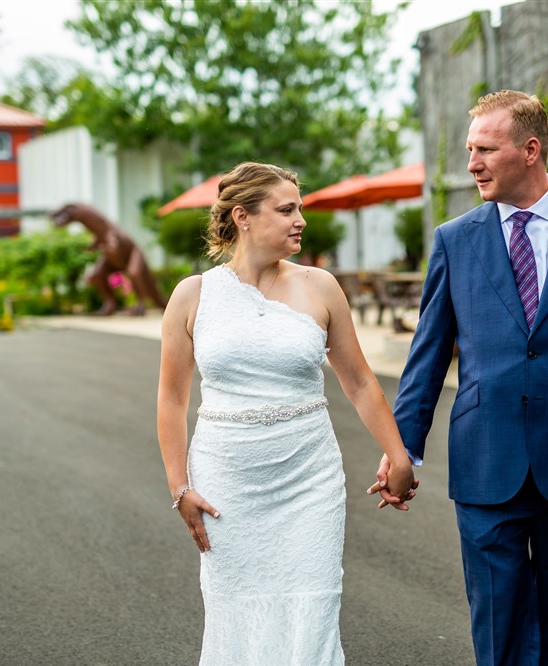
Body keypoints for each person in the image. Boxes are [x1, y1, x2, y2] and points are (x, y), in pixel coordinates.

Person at [371, 91, 548, 664]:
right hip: (485, 458)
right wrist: (402, 450)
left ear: (530, 150)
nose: (471, 163)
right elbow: (426, 358)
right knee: (497, 625)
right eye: (469, 150)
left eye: (484, 149)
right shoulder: (455, 239)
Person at [157, 162, 416, 665]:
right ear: (243, 217)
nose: (301, 220)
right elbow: (171, 398)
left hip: (308, 480)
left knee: (312, 609)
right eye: (287, 209)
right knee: (236, 610)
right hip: (227, 483)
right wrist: (178, 487)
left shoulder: (321, 287)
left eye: (300, 208)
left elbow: (360, 381)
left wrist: (398, 455)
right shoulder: (193, 296)